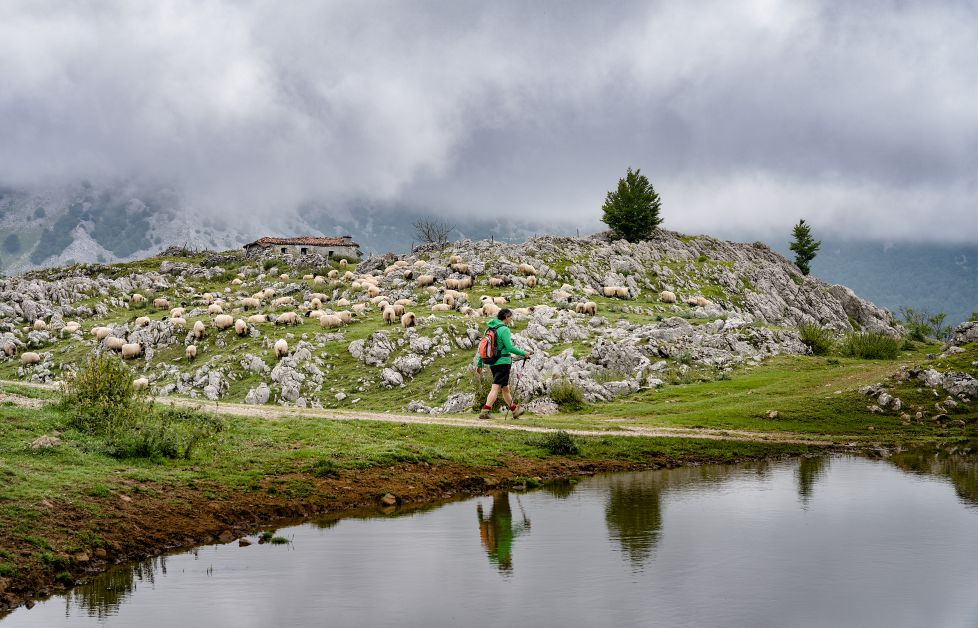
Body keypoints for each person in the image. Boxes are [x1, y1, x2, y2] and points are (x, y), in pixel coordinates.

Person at [475, 308, 531, 419]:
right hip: (503, 362)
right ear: (506, 317)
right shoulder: (504, 329)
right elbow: (509, 347)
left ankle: (515, 410)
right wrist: (524, 353)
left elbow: (482, 347)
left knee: (505, 388)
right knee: (496, 387)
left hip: (493, 362)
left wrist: (480, 363)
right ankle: (485, 411)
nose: (511, 319)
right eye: (510, 317)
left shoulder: (489, 329)